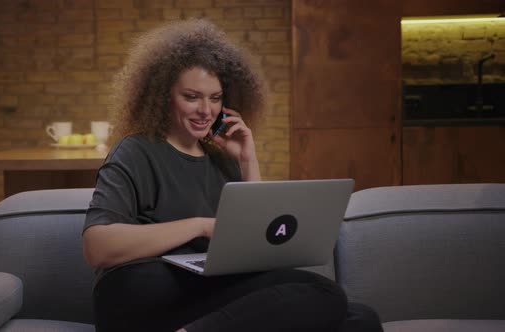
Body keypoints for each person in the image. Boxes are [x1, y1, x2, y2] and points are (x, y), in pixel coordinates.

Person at [83, 19, 382, 332]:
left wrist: (247, 159)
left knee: (360, 319)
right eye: (191, 96)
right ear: (162, 96)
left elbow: (263, 248)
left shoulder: (222, 160)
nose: (205, 110)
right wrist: (200, 226)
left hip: (203, 291)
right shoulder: (135, 151)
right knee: (325, 293)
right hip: (140, 290)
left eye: (215, 98)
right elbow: (98, 247)